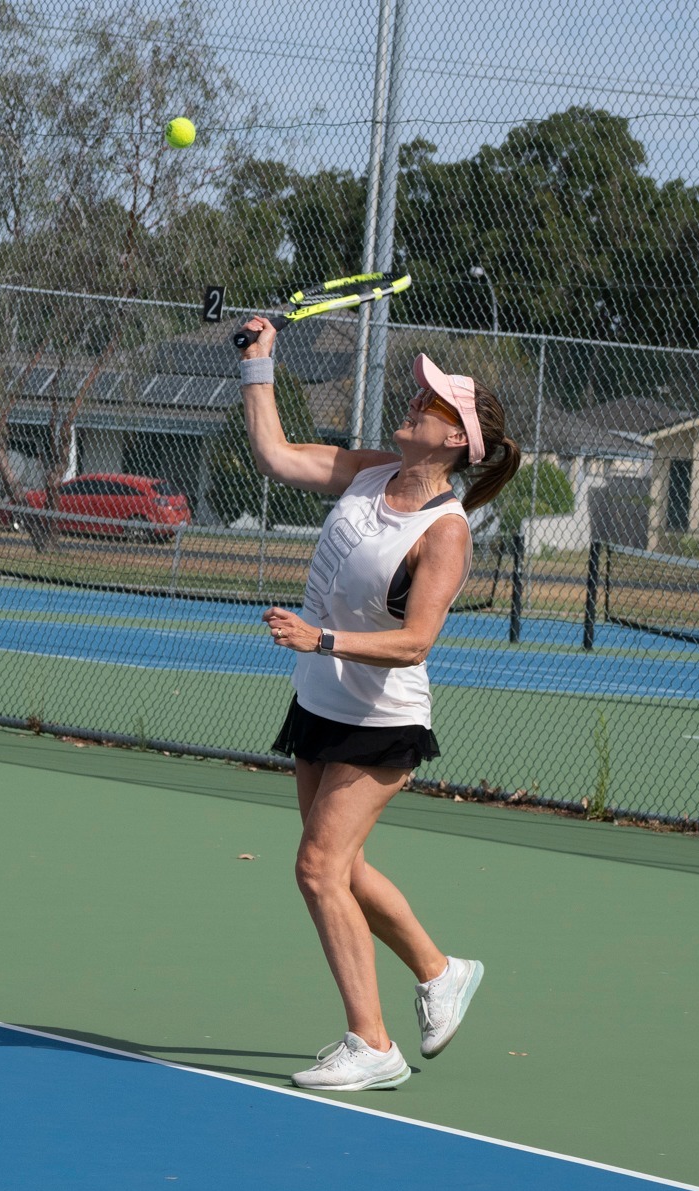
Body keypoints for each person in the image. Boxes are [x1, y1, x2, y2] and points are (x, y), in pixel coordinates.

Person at [234, 316, 521, 1091]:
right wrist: (260, 363)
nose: (413, 403)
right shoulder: (371, 473)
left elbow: (417, 642)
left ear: (457, 441)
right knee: (344, 869)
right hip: (319, 703)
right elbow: (278, 455)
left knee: (318, 868)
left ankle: (373, 1045)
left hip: (383, 718)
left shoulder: (446, 530)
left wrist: (320, 639)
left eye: (430, 403)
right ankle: (440, 969)